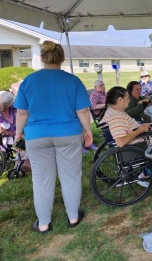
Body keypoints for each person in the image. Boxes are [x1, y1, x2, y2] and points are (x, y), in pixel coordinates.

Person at [13, 41, 93, 233]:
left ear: (42, 58)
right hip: (68, 134)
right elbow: (82, 110)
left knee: (41, 180)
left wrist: (17, 134)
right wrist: (88, 131)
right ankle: (73, 217)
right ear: (62, 59)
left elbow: (22, 113)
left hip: (36, 135)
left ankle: (43, 223)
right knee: (71, 176)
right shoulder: (73, 80)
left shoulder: (29, 81)